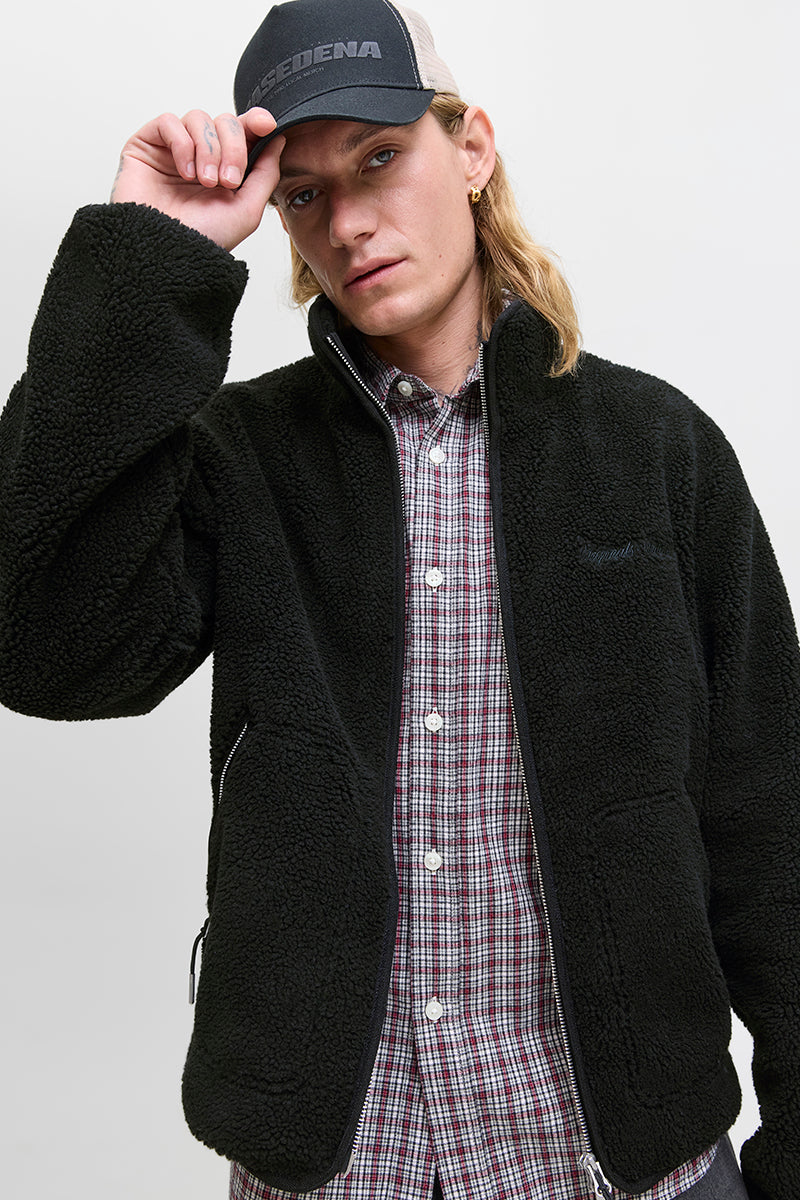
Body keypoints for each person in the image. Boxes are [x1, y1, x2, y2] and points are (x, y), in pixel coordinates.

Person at [0, 0, 797, 1197]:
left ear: (469, 149)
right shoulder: (240, 457)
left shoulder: (655, 449)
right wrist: (146, 257)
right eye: (304, 193)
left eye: (379, 158)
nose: (348, 221)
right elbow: (45, 650)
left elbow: (769, 822)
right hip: (343, 1165)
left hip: (613, 1165)